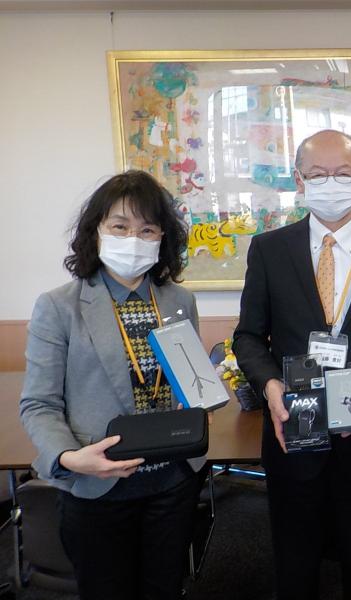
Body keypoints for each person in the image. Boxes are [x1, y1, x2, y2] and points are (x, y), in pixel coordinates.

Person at [233, 129, 351, 600]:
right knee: (295, 564)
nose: (330, 183)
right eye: (317, 174)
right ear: (299, 180)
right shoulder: (269, 249)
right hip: (292, 428)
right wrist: (270, 386)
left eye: (342, 173)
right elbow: (248, 337)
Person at [19, 170, 205, 600]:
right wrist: (69, 458)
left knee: (164, 589)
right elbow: (39, 404)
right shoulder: (58, 307)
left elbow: (190, 383)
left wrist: (202, 400)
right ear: (96, 230)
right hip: (97, 485)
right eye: (120, 226)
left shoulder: (179, 300)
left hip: (173, 482)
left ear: (163, 238)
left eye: (147, 229)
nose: (133, 239)